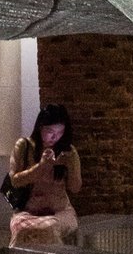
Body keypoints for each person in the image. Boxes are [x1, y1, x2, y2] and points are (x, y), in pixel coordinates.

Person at [7, 104, 82, 245]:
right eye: (50, 131)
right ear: (40, 127)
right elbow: (15, 181)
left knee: (49, 228)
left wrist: (70, 166)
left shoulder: (68, 152)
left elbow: (75, 188)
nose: (55, 137)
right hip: (29, 211)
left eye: (60, 132)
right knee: (23, 229)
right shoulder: (24, 146)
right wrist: (41, 166)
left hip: (60, 211)